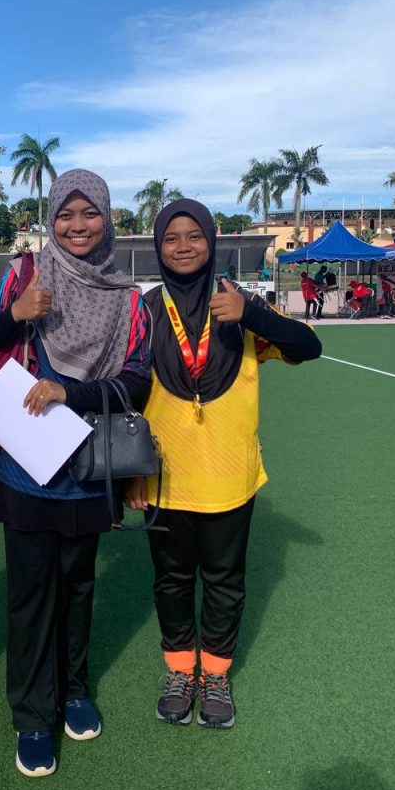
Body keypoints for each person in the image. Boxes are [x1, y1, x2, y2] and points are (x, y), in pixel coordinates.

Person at [0, 169, 151, 778]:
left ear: (107, 218)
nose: (77, 225)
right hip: (25, 468)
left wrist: (70, 392)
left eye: (89, 212)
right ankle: (31, 716)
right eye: (66, 214)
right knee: (29, 595)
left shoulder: (128, 299)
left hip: (88, 468)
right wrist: (16, 313)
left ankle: (73, 691)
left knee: (78, 587)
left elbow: (137, 382)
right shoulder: (24, 275)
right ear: (51, 219)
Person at [126, 199, 321, 730]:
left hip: (231, 476)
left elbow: (309, 346)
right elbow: (126, 390)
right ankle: (179, 670)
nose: (183, 246)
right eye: (171, 238)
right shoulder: (145, 309)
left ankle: (214, 675)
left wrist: (251, 314)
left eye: (194, 236)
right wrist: (129, 472)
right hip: (163, 477)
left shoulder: (239, 302)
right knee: (170, 580)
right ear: (158, 247)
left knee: (224, 580)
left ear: (212, 242)